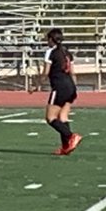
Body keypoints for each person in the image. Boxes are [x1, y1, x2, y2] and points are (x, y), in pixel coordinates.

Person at [42, 27, 82, 156]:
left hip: (59, 87)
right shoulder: (67, 53)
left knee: (50, 118)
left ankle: (71, 136)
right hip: (70, 86)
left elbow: (46, 72)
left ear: (51, 39)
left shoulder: (51, 52)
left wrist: (36, 85)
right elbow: (73, 73)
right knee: (63, 117)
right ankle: (66, 147)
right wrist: (74, 88)